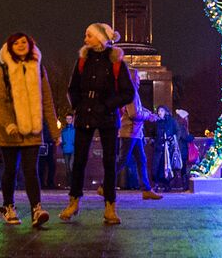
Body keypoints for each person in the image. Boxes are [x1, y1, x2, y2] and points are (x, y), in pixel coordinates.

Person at [63, 23, 135, 225]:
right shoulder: (82, 60)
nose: (85, 39)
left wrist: (107, 105)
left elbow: (128, 92)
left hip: (107, 116)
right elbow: (72, 88)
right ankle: (74, 201)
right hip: (85, 113)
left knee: (109, 162)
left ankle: (110, 205)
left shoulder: (116, 61)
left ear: (100, 38)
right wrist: (78, 105)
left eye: (89, 35)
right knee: (79, 161)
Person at [0, 33, 60, 227]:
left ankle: (36, 210)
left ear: (30, 45)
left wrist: (54, 132)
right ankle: (8, 206)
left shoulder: (39, 70)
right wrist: (9, 124)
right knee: (10, 170)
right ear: (10, 47)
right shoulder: (3, 71)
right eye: (16, 42)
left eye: (24, 42)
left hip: (32, 129)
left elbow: (47, 101)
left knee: (31, 171)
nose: (20, 45)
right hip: (9, 132)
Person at [106, 67, 161, 200]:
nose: (139, 80)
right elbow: (134, 114)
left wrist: (149, 114)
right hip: (129, 133)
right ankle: (105, 186)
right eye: (137, 77)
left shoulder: (131, 92)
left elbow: (139, 109)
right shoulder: (131, 93)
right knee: (122, 161)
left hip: (134, 133)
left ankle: (146, 189)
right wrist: (148, 116)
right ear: (131, 79)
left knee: (141, 160)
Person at [153, 105, 183, 192]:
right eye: (158, 111)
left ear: (165, 112)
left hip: (168, 147)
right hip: (158, 147)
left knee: (167, 166)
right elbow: (153, 133)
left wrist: (173, 138)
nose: (159, 113)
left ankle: (167, 184)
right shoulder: (157, 122)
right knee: (156, 166)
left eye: (161, 111)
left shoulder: (172, 121)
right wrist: (153, 140)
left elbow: (178, 131)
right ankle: (157, 184)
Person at [175, 109, 195, 189]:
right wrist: (192, 137)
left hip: (181, 149)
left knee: (182, 167)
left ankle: (183, 184)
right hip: (182, 149)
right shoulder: (181, 127)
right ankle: (185, 185)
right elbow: (185, 137)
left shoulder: (178, 126)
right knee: (183, 167)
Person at [59, 113, 75, 184]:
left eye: (70, 119)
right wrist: (62, 145)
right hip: (65, 150)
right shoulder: (63, 130)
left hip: (73, 150)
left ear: (72, 119)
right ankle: (69, 183)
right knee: (67, 167)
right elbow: (61, 140)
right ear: (66, 120)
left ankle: (72, 183)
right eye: (67, 119)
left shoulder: (75, 130)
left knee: (71, 166)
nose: (68, 120)